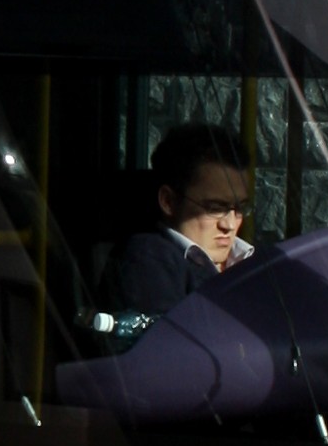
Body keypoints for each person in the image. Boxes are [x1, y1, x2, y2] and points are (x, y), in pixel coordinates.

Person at [100, 125, 260, 330]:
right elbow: (174, 353)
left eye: (240, 208)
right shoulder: (148, 257)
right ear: (168, 201)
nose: (229, 224)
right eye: (214, 208)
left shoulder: (252, 261)